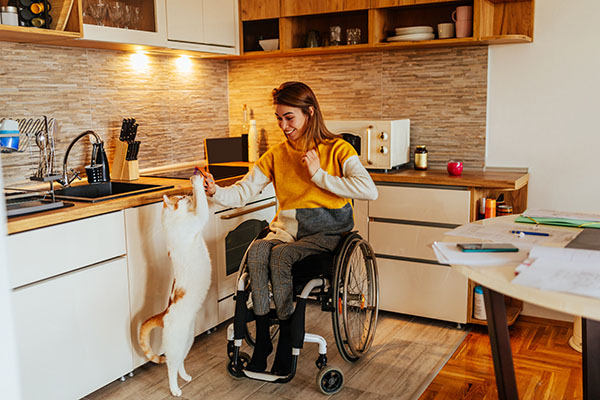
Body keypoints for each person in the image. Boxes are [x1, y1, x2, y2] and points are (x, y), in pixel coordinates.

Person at [202, 81, 378, 376]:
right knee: (257, 251)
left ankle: (285, 341)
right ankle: (262, 343)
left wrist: (319, 175)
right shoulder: (276, 155)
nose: (283, 125)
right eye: (279, 118)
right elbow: (244, 191)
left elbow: (368, 190)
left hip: (329, 234)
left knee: (281, 256)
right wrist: (215, 191)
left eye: (289, 117)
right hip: (289, 230)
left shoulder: (338, 149)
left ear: (309, 113)